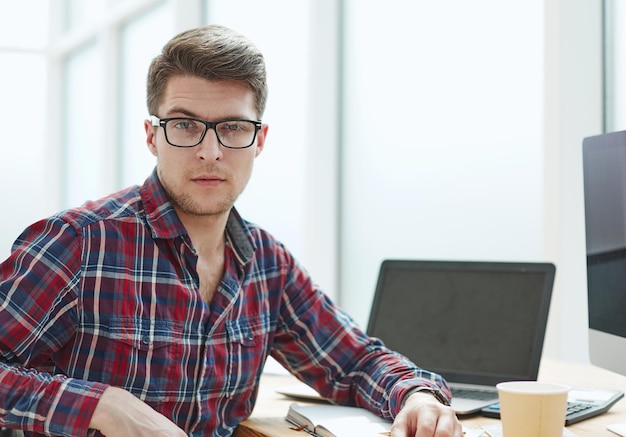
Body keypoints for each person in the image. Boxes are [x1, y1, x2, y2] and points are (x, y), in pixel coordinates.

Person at [0, 24, 463, 437]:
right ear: (151, 135)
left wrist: (417, 397)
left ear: (258, 140)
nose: (210, 151)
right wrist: (105, 405)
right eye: (184, 125)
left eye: (233, 128)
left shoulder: (267, 264)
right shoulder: (79, 242)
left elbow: (355, 361)